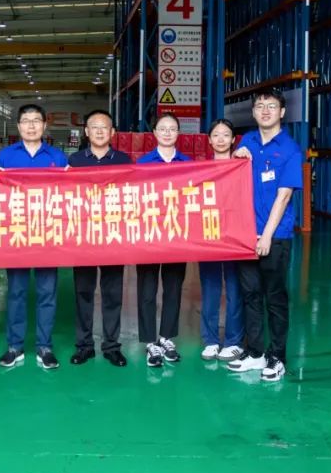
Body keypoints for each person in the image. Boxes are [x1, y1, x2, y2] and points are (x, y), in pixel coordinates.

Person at [226, 89, 303, 382]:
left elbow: (284, 197)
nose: (265, 110)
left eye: (271, 106)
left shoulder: (290, 149)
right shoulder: (247, 141)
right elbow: (231, 179)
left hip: (275, 236)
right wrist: (235, 156)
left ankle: (277, 357)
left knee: (275, 298)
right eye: (260, 106)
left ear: (282, 112)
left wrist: (267, 236)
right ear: (254, 112)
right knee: (251, 295)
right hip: (245, 234)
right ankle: (256, 352)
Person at [0, 104, 68, 369]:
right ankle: (14, 346)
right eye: (26, 121)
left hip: (48, 233)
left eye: (37, 120)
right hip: (17, 233)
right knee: (16, 292)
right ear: (18, 126)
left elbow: (69, 193)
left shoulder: (58, 157)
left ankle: (44, 347)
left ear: (45, 126)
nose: (32, 125)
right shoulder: (5, 156)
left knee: (47, 292)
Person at [66, 109, 131, 367]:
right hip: (84, 236)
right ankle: (84, 346)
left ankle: (111, 346)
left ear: (112, 132)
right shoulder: (75, 161)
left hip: (114, 234)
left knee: (112, 293)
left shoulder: (124, 160)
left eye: (105, 127)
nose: (100, 131)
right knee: (83, 292)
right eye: (95, 126)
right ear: (86, 131)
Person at [136, 112, 191, 368]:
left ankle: (167, 337)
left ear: (178, 133)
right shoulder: (143, 163)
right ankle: (150, 342)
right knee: (147, 290)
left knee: (173, 288)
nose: (168, 133)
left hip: (177, 235)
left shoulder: (188, 164)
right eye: (163, 128)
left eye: (172, 128)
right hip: (149, 235)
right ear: (155, 133)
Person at [199, 118, 245, 362]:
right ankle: (210, 340)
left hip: (237, 236)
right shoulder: (200, 169)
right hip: (209, 235)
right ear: (209, 140)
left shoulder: (242, 166)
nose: (220, 139)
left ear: (233, 139)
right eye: (216, 135)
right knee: (210, 288)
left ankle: (234, 341)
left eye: (226, 134)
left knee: (236, 288)